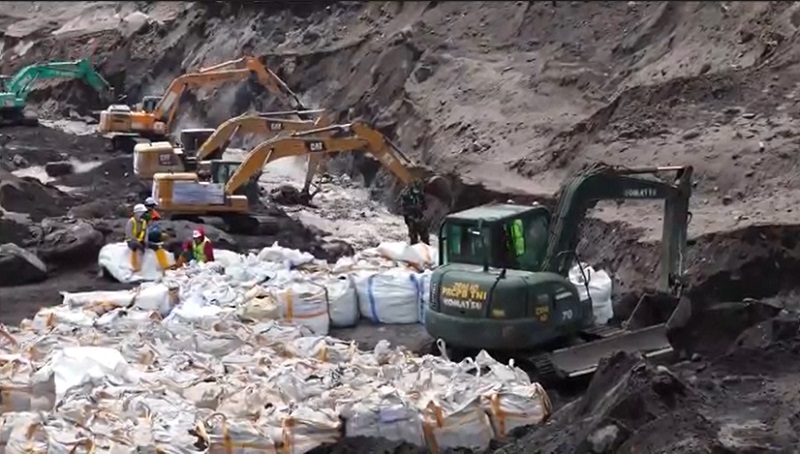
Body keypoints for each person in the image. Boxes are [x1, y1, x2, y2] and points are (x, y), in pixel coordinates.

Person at [397, 181, 429, 245]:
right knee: (413, 237)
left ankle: (426, 249)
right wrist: (413, 208)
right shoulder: (406, 195)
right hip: (410, 217)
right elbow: (404, 207)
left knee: (425, 236)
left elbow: (425, 206)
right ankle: (414, 249)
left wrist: (421, 207)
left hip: (419, 216)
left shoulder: (420, 195)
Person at [125, 203, 149, 272]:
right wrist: (136, 241)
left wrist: (145, 241)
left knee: (154, 246)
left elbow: (146, 233)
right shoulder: (131, 221)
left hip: (140, 240)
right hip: (132, 241)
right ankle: (135, 266)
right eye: (141, 213)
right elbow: (129, 233)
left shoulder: (144, 222)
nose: (143, 215)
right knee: (135, 247)